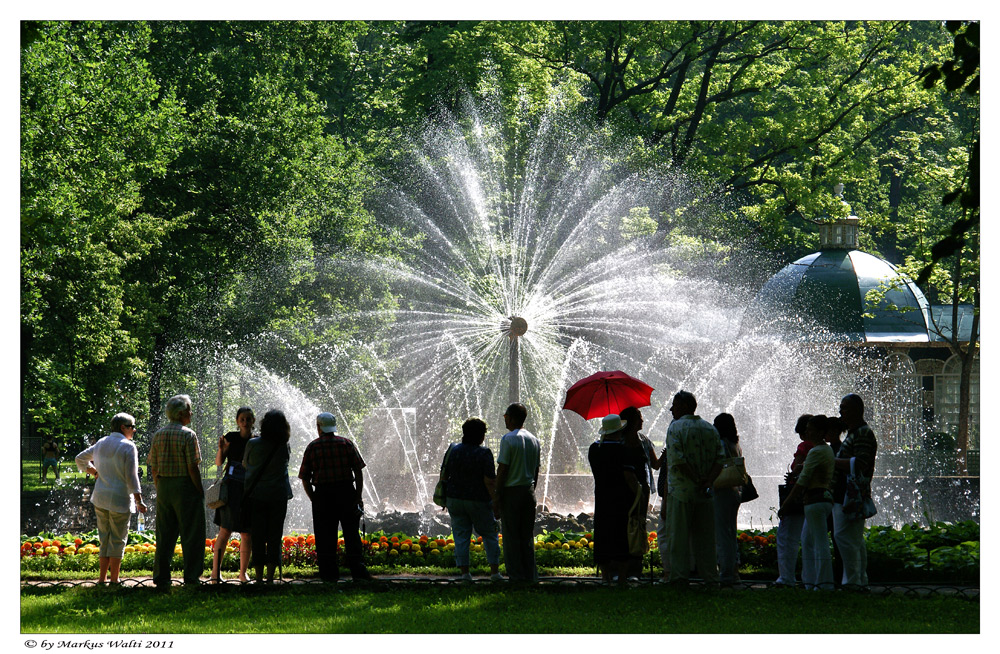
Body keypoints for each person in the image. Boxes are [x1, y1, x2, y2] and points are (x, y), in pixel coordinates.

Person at [299, 412, 373, 582]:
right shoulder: (346, 443)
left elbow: (305, 477)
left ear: (319, 427)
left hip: (323, 495)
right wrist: (358, 495)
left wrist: (314, 498)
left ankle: (329, 575)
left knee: (325, 538)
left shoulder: (313, 447)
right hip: (346, 492)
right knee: (352, 535)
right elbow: (358, 472)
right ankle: (359, 573)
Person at [75, 413, 147, 584]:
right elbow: (132, 477)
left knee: (104, 538)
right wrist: (138, 500)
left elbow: (79, 459)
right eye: (132, 427)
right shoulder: (128, 446)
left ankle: (102, 579)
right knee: (117, 539)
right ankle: (114, 581)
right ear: (123, 428)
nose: (134, 430)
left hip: (100, 498)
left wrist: (95, 472)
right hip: (120, 500)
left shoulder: (101, 442)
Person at [663, 390, 724, 586]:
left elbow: (678, 461)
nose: (671, 408)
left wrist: (696, 478)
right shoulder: (709, 428)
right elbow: (720, 459)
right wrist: (707, 481)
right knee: (706, 538)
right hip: (705, 493)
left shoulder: (675, 428)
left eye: (675, 405)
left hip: (681, 492)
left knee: (678, 538)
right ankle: (711, 577)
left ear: (685, 407)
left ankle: (679, 578)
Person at [147, 394, 205, 589]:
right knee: (191, 533)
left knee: (165, 533)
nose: (191, 413)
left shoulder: (158, 435)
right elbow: (192, 467)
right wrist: (199, 489)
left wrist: (159, 486)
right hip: (185, 486)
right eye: (189, 410)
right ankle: (191, 576)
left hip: (164, 485)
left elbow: (154, 467)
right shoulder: (188, 434)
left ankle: (161, 577)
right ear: (181, 413)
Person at [441, 418, 502, 581]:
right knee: (490, 534)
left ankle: (465, 574)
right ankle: (495, 573)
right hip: (478, 500)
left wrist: (445, 498)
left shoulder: (454, 450)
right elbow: (489, 481)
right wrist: (496, 502)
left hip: (455, 499)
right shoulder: (484, 453)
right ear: (481, 435)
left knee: (461, 536)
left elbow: (445, 475)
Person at [779, 414, 835, 590]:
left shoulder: (815, 451)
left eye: (810, 429)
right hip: (821, 499)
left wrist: (786, 503)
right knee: (809, 541)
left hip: (815, 500)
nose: (807, 432)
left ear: (819, 432)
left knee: (819, 543)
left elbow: (802, 481)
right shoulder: (825, 450)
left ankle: (824, 584)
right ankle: (811, 582)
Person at [588, 413, 645, 584]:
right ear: (619, 430)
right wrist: (638, 495)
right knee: (621, 535)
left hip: (602, 497)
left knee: (603, 534)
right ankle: (621, 577)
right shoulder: (623, 449)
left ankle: (605, 577)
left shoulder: (594, 449)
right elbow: (629, 477)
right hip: (621, 498)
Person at [832, 393, 877, 590]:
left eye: (845, 407)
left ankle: (852, 582)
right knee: (853, 538)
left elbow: (861, 463)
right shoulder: (854, 432)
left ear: (858, 410)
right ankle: (858, 580)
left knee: (844, 536)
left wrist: (831, 462)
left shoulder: (863, 433)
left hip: (851, 494)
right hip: (848, 492)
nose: (841, 411)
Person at [244, 409, 293, 584]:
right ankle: (271, 578)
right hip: (278, 496)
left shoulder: (253, 444)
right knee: (274, 536)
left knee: (257, 536)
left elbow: (245, 464)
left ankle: (258, 578)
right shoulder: (284, 445)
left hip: (257, 496)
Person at [493, 402, 541, 582]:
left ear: (512, 418)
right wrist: (530, 490)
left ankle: (516, 577)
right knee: (526, 535)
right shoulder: (534, 440)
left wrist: (497, 496)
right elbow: (536, 470)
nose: (505, 420)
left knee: (511, 536)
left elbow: (503, 469)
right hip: (528, 491)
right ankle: (531, 575)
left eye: (505, 417)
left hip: (511, 491)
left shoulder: (508, 439)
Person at [210, 407, 255, 583]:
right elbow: (219, 462)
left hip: (248, 490)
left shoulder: (256, 440)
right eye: (242, 419)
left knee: (247, 533)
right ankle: (215, 573)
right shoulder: (231, 437)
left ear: (253, 421)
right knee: (225, 530)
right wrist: (221, 449)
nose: (245, 422)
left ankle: (243, 573)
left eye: (248, 419)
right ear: (237, 421)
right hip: (230, 490)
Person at [775, 414, 813, 587]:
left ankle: (786, 578)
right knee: (806, 539)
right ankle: (809, 579)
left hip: (796, 498)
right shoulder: (820, 448)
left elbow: (797, 472)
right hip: (810, 498)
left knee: (785, 537)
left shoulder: (805, 446)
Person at [619, 406, 653, 580]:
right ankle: (624, 563)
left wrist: (668, 451)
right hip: (624, 488)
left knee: (639, 523)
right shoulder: (619, 441)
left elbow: (655, 464)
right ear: (632, 421)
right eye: (640, 417)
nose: (643, 420)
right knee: (625, 523)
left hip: (643, 488)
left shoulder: (644, 441)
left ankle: (636, 565)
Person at [712, 413, 743, 586]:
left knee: (722, 534)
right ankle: (734, 572)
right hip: (735, 491)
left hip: (722, 490)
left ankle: (725, 574)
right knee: (731, 532)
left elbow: (717, 464)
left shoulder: (722, 444)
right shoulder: (735, 444)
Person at [824, 416, 847, 586]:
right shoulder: (835, 448)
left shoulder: (837, 450)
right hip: (835, 498)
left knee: (837, 538)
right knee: (836, 537)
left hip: (836, 499)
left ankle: (839, 577)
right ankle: (838, 576)